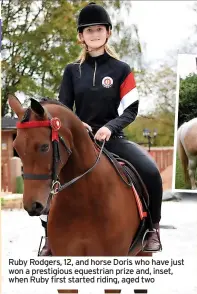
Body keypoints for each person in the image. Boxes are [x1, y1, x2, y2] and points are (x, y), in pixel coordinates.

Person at [40, 2, 163, 255]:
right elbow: (63, 107)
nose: (94, 34)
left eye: (99, 29)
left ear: (108, 32)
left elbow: (131, 110)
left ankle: (152, 230)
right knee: (49, 176)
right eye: (88, 30)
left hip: (113, 138)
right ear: (80, 36)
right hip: (78, 143)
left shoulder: (122, 70)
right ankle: (50, 238)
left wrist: (109, 127)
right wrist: (77, 123)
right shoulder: (72, 71)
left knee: (151, 172)